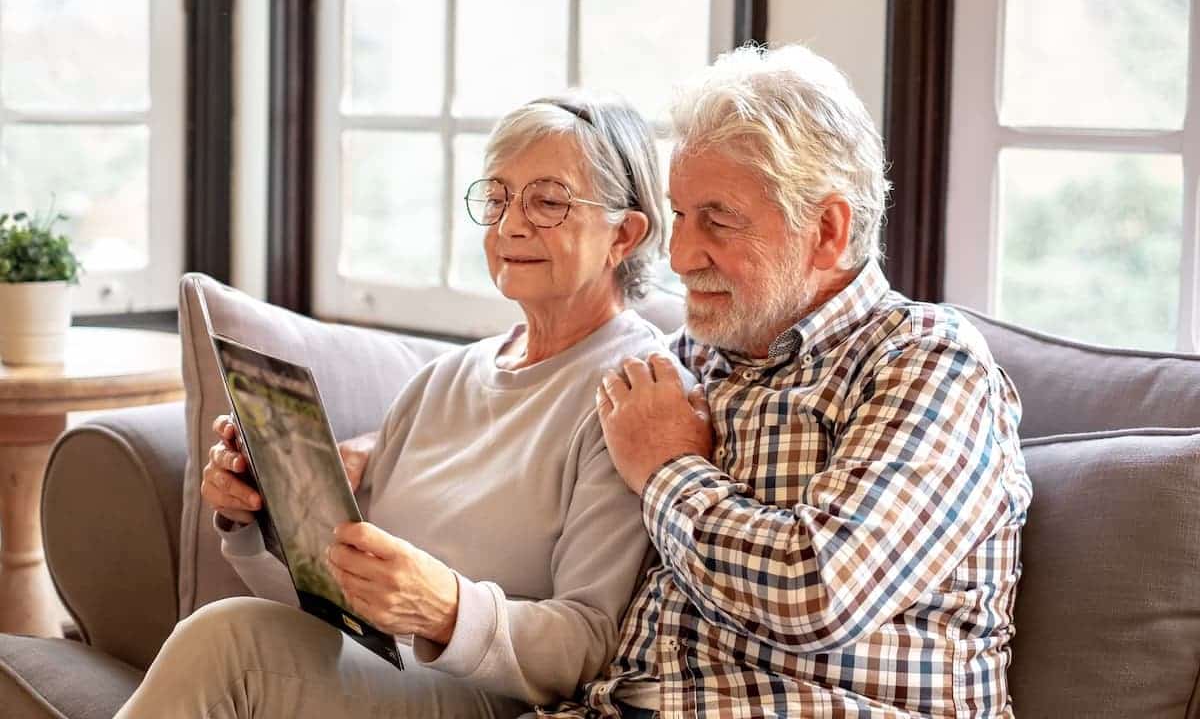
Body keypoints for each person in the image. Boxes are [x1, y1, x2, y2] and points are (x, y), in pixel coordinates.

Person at [115, 92, 698, 719]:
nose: (510, 226)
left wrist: (446, 607)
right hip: (376, 678)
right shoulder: (443, 379)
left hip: (487, 699)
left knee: (227, 639)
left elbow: (587, 644)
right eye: (497, 198)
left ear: (625, 233)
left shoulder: (633, 395)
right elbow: (329, 605)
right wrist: (257, 518)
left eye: (548, 201)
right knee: (231, 634)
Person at [544, 44, 1032, 718]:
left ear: (826, 230)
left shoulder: (928, 364)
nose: (681, 257)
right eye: (679, 215)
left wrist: (667, 469)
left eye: (717, 219)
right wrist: (387, 455)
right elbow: (540, 452)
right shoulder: (692, 354)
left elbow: (820, 590)